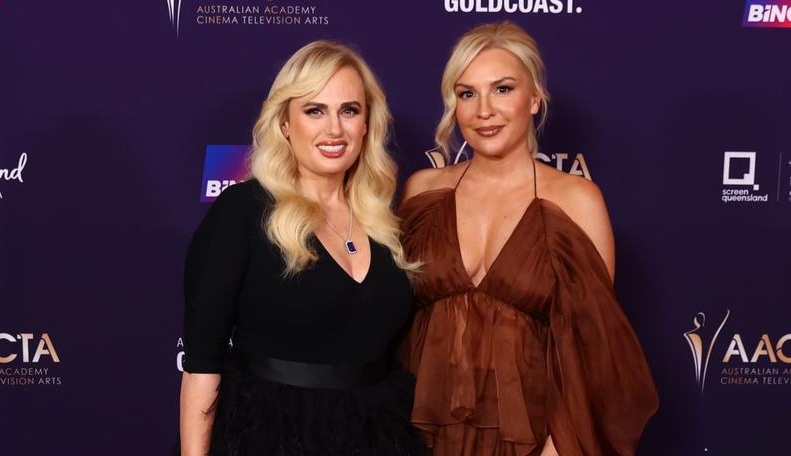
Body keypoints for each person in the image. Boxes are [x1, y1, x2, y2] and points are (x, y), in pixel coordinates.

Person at [399, 22, 659, 456]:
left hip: (534, 440)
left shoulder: (578, 200)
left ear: (534, 99)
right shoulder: (422, 192)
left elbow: (591, 350)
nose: (484, 110)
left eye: (502, 89)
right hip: (421, 431)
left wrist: (557, 449)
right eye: (467, 94)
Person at [179, 40, 422, 456]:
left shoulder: (385, 222)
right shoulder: (242, 212)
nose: (335, 129)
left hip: (376, 435)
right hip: (268, 437)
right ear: (285, 124)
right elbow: (202, 365)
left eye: (350, 110)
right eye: (315, 111)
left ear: (367, 123)